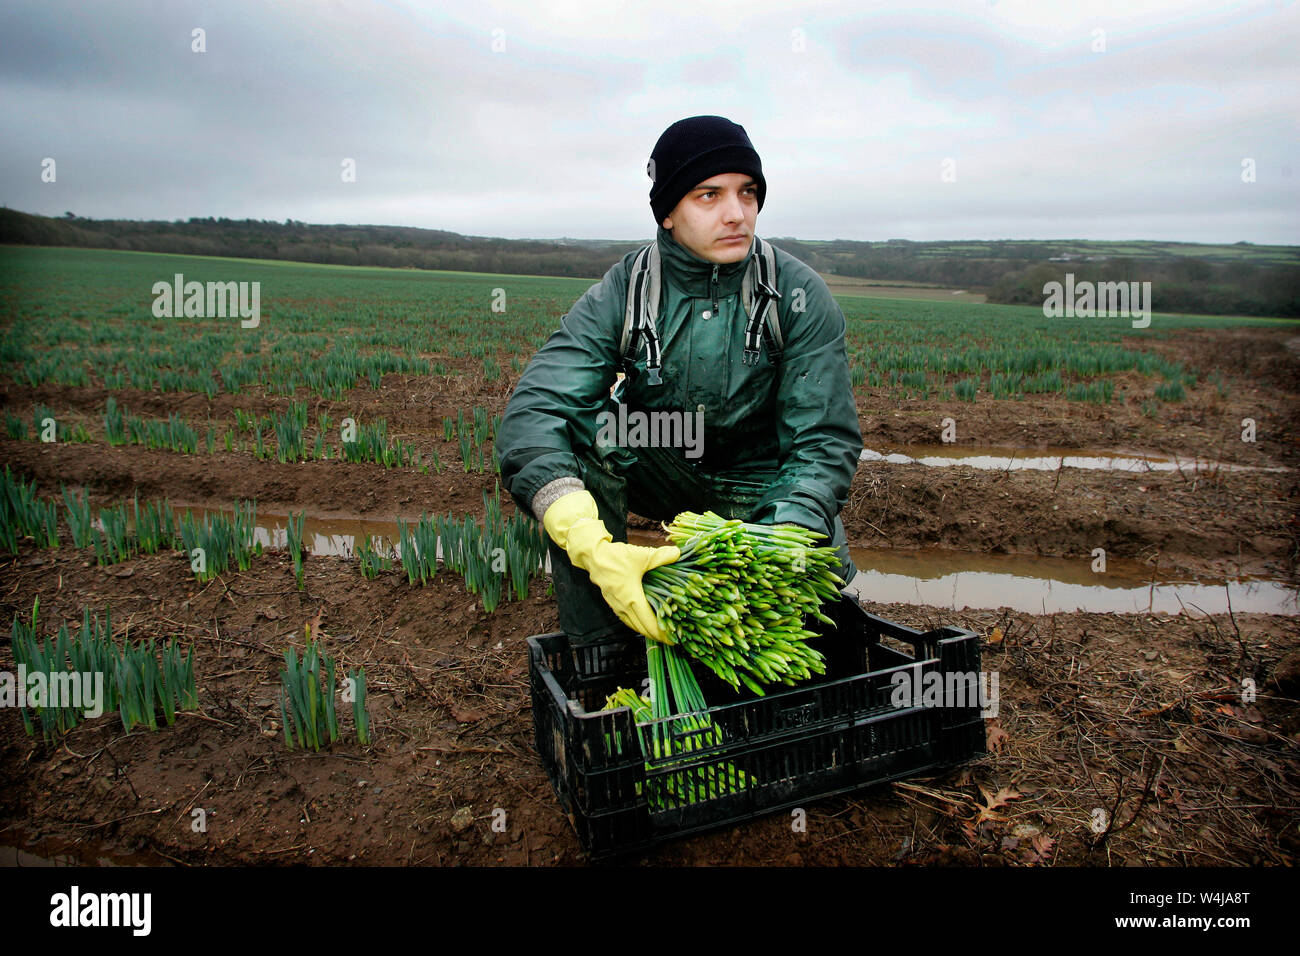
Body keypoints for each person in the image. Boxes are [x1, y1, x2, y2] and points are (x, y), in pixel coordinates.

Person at [496, 115, 861, 647]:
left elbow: (823, 440)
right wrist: (586, 538)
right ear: (668, 212)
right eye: (708, 195)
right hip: (664, 448)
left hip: (762, 477)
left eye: (748, 193)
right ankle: (602, 647)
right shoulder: (626, 290)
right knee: (589, 434)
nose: (737, 214)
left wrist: (784, 540)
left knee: (821, 629)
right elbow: (538, 412)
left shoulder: (798, 294)